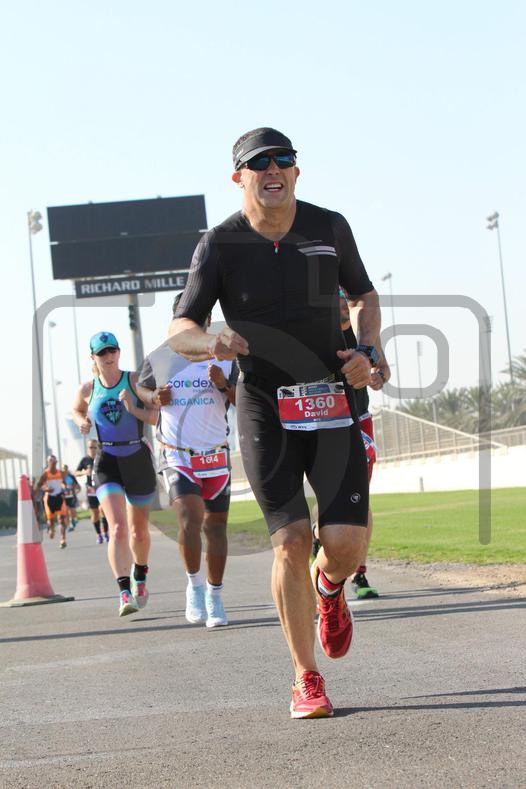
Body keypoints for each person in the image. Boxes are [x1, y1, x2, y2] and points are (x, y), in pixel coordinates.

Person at [168, 127, 381, 718]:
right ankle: (305, 677)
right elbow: (180, 328)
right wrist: (210, 341)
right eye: (258, 162)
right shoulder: (220, 245)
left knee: (345, 544)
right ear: (238, 177)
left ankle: (330, 588)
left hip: (333, 397)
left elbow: (364, 296)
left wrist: (369, 351)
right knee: (291, 540)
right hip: (265, 404)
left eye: (282, 159)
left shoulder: (328, 227)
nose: (272, 169)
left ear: (295, 171)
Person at [127, 295, 239, 628]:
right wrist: (153, 397)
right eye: (186, 316)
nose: (193, 323)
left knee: (215, 528)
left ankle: (214, 595)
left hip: (216, 453)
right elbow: (141, 389)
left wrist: (224, 385)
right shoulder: (160, 356)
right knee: (190, 517)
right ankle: (194, 585)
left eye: (199, 316)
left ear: (208, 320)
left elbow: (244, 400)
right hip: (177, 453)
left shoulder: (226, 355)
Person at [312, 287, 391, 599]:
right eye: (338, 301)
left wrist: (378, 377)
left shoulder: (365, 334)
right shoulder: (318, 333)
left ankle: (359, 573)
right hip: (326, 424)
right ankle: (320, 537)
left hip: (360, 421)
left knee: (361, 500)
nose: (344, 306)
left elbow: (383, 370)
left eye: (347, 300)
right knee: (329, 499)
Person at [72, 332, 157, 617]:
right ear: (93, 357)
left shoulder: (135, 380)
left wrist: (133, 407)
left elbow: (156, 415)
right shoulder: (88, 388)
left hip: (137, 458)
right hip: (107, 460)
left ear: (119, 352)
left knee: (138, 531)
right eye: (102, 353)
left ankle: (140, 574)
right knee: (118, 528)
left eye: (112, 351)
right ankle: (123, 592)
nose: (108, 357)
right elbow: (76, 409)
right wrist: (82, 421)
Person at [76, 441, 110, 544]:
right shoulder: (85, 460)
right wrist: (84, 472)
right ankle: (99, 534)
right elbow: (76, 472)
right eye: (91, 447)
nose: (93, 449)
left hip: (102, 488)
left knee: (103, 509)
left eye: (95, 447)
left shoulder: (102, 458)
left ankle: (106, 532)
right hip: (91, 489)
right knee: (95, 512)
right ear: (88, 448)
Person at [37, 455, 68, 548]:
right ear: (48, 462)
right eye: (50, 461)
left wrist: (64, 486)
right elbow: (39, 485)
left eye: (54, 461)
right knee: (50, 521)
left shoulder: (60, 473)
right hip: (49, 498)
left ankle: (63, 539)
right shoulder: (45, 474)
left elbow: (64, 483)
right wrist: (46, 489)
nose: (52, 463)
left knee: (61, 519)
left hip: (59, 497)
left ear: (56, 462)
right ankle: (51, 528)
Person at [62, 464, 81, 533]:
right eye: (63, 469)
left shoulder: (71, 477)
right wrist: (63, 486)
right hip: (64, 497)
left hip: (71, 496)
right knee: (66, 511)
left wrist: (76, 490)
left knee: (72, 510)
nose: (64, 470)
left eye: (65, 468)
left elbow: (78, 486)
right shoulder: (60, 477)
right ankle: (69, 525)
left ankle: (73, 520)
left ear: (67, 469)